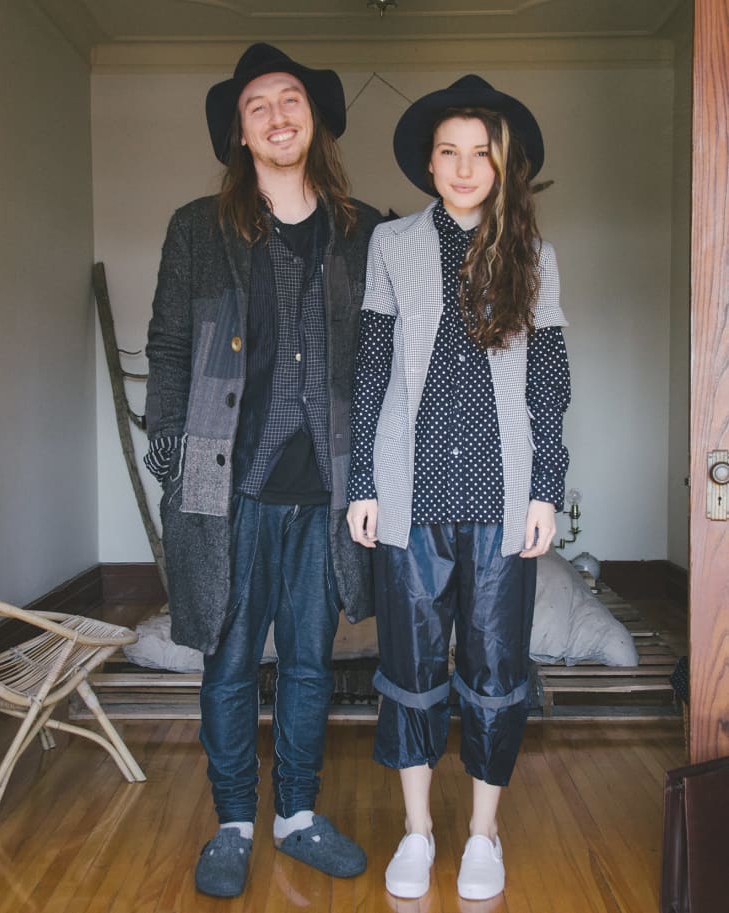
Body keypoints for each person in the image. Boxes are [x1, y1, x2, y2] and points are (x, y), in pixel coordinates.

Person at [144, 42, 380, 899]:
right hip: (226, 480)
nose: (279, 115)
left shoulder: (366, 230)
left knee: (313, 661)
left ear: (312, 118)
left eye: (291, 100)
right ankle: (237, 820)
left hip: (330, 484)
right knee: (229, 657)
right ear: (241, 134)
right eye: (258, 106)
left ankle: (298, 814)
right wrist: (167, 447)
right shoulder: (195, 231)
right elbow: (169, 346)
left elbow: (383, 364)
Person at [346, 75, 570, 901]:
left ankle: (482, 834)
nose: (465, 167)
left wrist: (546, 485)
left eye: (482, 153)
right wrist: (363, 481)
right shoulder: (391, 244)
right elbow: (371, 369)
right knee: (408, 665)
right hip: (411, 491)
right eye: (450, 152)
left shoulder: (534, 256)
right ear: (429, 164)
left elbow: (548, 381)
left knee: (496, 667)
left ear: (504, 166)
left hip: (502, 493)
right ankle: (417, 830)